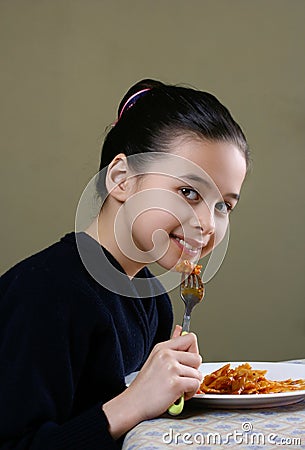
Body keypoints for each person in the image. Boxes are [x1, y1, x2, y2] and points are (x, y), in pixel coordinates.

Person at [0, 79, 250, 449]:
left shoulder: (152, 301)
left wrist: (169, 393)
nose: (209, 224)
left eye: (223, 206)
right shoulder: (42, 294)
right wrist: (132, 404)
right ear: (121, 179)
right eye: (188, 192)